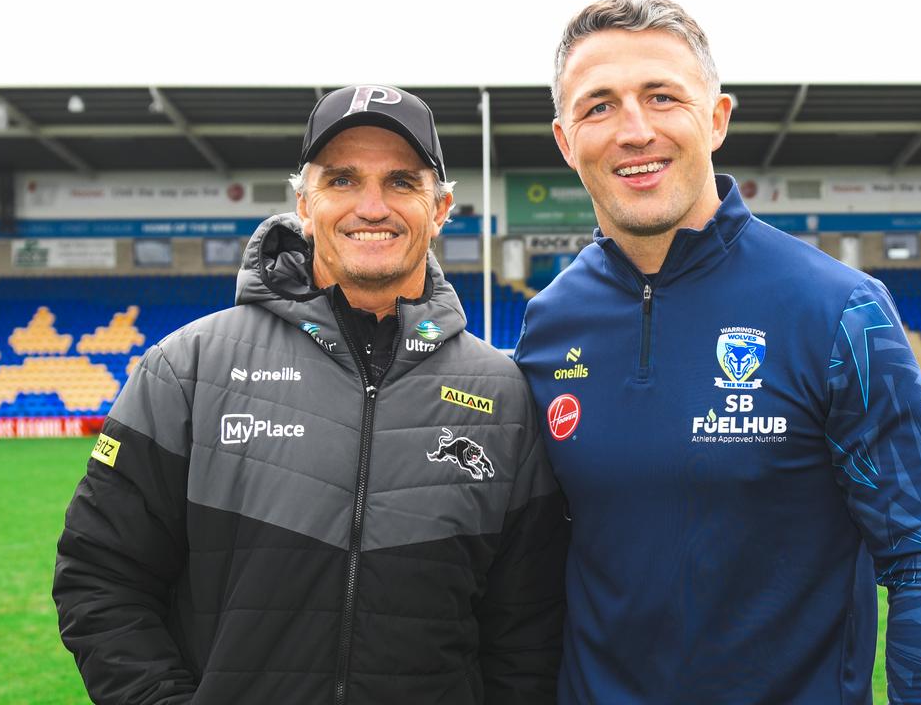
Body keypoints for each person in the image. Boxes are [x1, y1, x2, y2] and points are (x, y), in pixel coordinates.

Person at [513, 0, 921, 704]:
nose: (634, 130)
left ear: (717, 118)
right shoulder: (548, 323)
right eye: (598, 106)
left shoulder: (838, 309)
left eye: (662, 96)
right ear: (565, 141)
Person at [54, 84, 568, 705]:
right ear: (303, 202)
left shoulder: (503, 395)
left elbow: (528, 632)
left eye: (402, 182)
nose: (372, 206)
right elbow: (101, 579)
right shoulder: (185, 370)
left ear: (440, 209)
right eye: (343, 180)